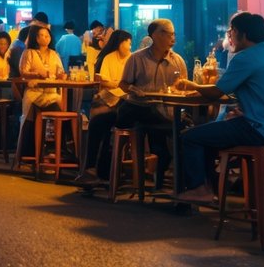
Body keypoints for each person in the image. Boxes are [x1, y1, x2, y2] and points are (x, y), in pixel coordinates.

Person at [174, 12, 264, 205]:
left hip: (261, 130)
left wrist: (192, 85)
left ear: (242, 34)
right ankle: (209, 189)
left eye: (231, 31)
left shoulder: (246, 57)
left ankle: (200, 189)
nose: (229, 36)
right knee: (208, 136)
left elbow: (216, 92)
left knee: (190, 137)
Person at [117, 19, 190, 188]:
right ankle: (163, 178)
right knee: (158, 122)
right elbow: (123, 84)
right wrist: (133, 89)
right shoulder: (137, 58)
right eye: (168, 34)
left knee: (178, 131)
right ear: (155, 35)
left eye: (174, 34)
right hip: (139, 109)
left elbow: (184, 86)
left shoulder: (178, 61)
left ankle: (176, 183)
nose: (173, 38)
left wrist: (181, 87)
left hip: (166, 111)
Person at [80, 30, 133, 184]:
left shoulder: (133, 59)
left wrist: (118, 84)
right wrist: (119, 84)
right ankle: (96, 169)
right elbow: (104, 80)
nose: (130, 46)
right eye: (128, 42)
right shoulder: (108, 58)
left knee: (102, 124)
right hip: (111, 98)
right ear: (120, 43)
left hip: (128, 103)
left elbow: (128, 84)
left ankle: (99, 169)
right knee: (101, 123)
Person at [19, 25, 66, 159]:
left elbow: (60, 71)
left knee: (63, 107)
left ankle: (58, 148)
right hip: (35, 92)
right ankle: (49, 148)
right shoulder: (29, 53)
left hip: (51, 93)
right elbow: (23, 72)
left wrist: (62, 76)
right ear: (36, 37)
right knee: (56, 108)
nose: (45, 38)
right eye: (42, 35)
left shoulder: (54, 54)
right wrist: (38, 75)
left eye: (47, 36)